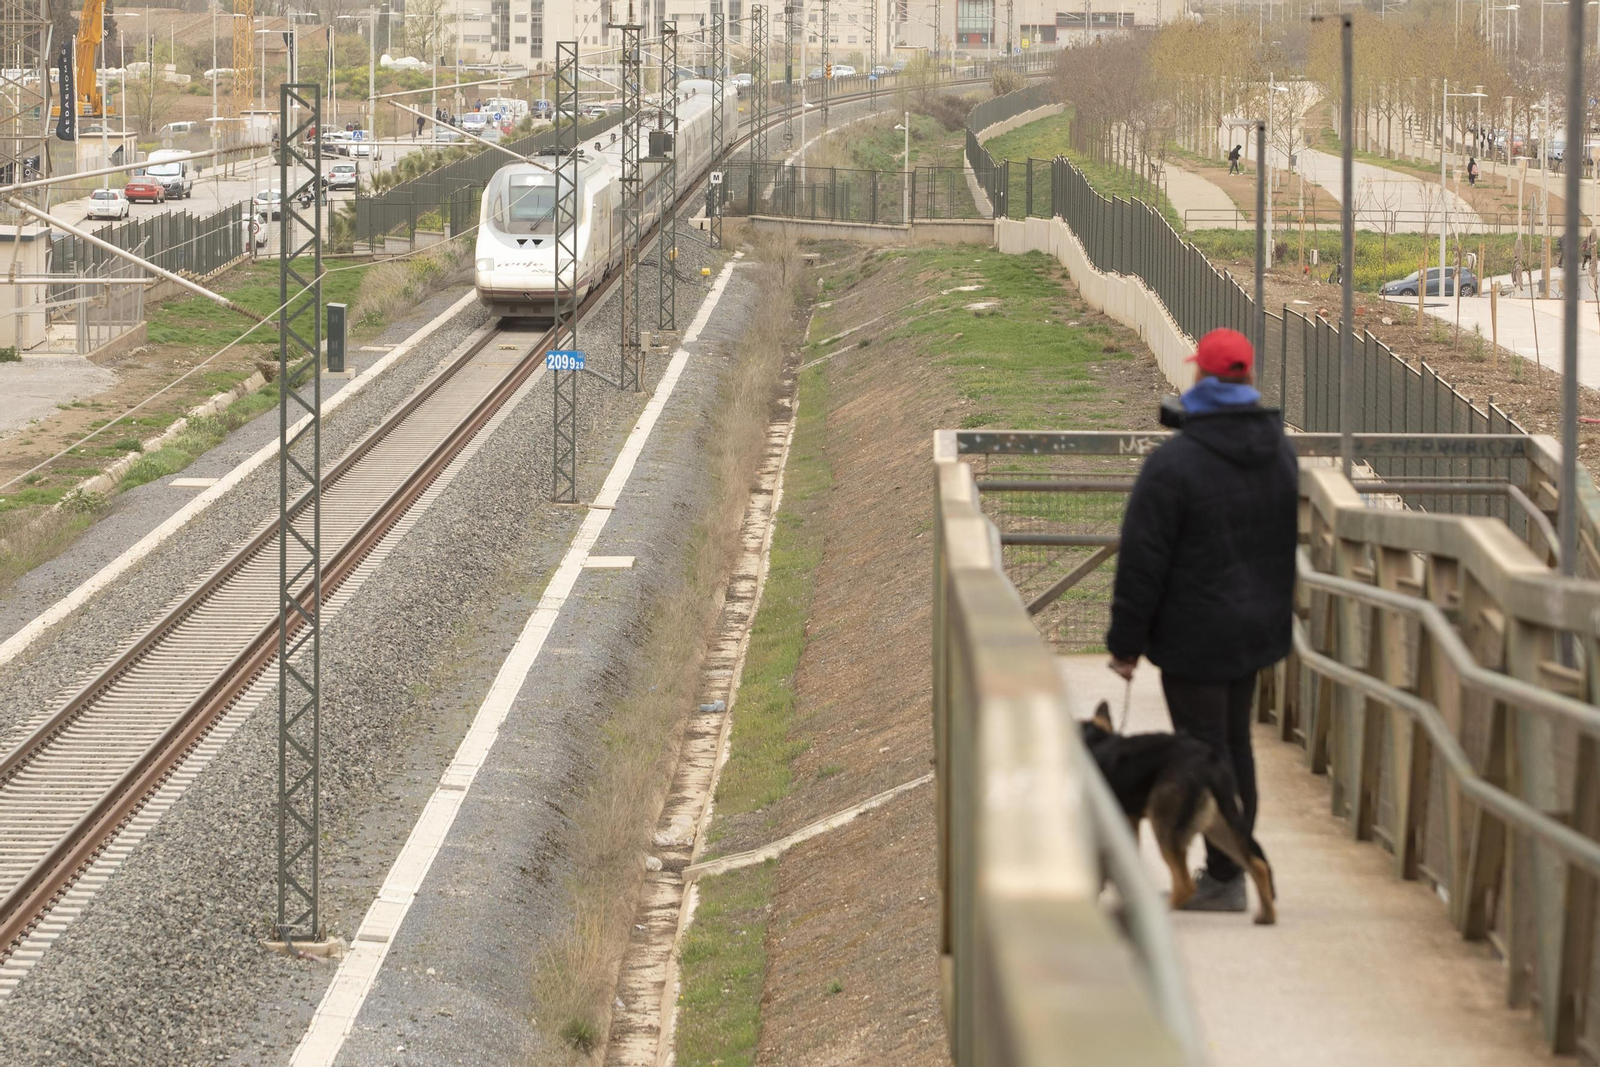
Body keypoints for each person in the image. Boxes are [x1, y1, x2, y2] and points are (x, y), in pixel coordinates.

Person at [1106, 328, 1299, 913]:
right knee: (1233, 746)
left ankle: (1226, 874)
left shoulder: (1174, 464)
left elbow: (1143, 561)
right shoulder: (1279, 451)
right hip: (1255, 631)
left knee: (1203, 751)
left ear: (1202, 379)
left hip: (1194, 637)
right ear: (1247, 379)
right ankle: (1230, 868)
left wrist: (1125, 643)